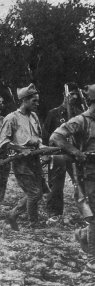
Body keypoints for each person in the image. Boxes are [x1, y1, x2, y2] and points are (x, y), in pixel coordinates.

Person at [50, 78, 95, 272]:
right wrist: (76, 152)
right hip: (90, 177)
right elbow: (56, 137)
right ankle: (91, 258)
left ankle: (83, 234)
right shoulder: (81, 120)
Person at [0, 84, 44, 230]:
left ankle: (14, 214)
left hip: (34, 158)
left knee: (39, 190)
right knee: (34, 192)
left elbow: (38, 138)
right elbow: (4, 142)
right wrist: (21, 149)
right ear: (24, 100)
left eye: (38, 101)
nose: (37, 104)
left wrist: (43, 149)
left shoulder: (34, 116)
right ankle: (32, 223)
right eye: (34, 101)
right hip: (20, 161)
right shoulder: (11, 118)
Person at [43, 83, 82, 222]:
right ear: (65, 95)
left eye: (76, 94)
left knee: (82, 183)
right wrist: (47, 154)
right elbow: (46, 135)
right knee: (56, 186)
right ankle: (54, 214)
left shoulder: (79, 115)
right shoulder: (53, 113)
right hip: (58, 154)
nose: (75, 96)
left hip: (75, 154)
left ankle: (87, 213)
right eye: (72, 93)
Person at [0, 96, 11, 205]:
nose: (1, 105)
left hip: (4, 155)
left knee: (3, 180)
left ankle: (0, 201)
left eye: (2, 103)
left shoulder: (4, 120)